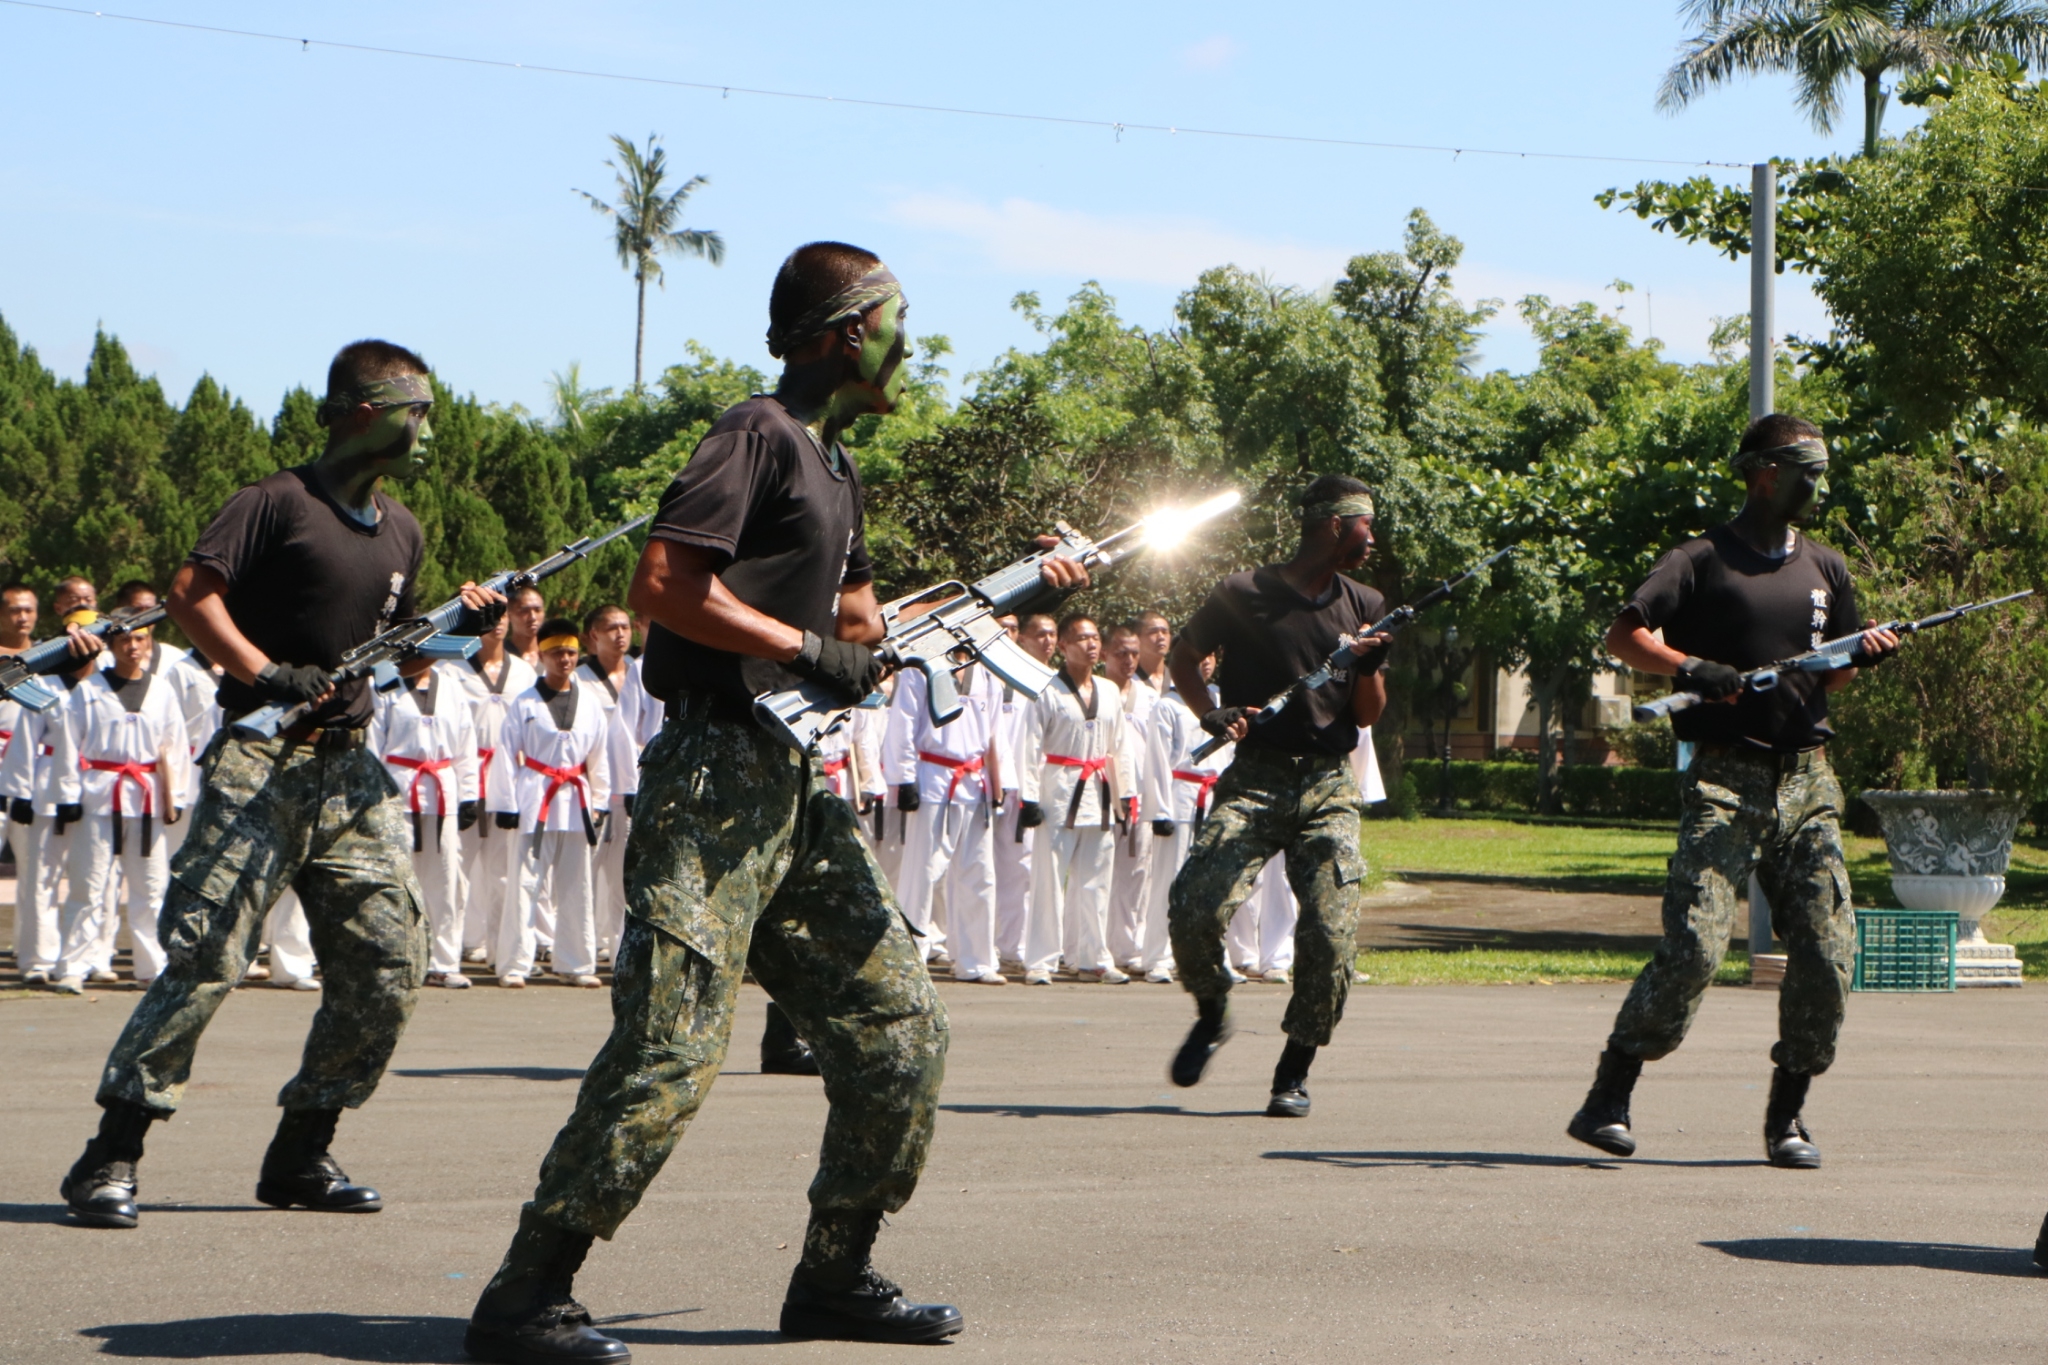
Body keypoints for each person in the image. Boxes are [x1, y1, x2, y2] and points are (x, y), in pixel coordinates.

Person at [464, 241, 1087, 1360]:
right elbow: (663, 586)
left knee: (902, 1031)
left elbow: (859, 636)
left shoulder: (839, 471)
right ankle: (523, 1293)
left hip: (796, 788)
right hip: (710, 777)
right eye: (899, 319)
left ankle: (833, 1277)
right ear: (849, 330)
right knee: (670, 1048)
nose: (912, 342)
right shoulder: (755, 435)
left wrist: (1011, 592)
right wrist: (802, 646)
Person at [55, 339, 504, 1230]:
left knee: (389, 959)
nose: (430, 429)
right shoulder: (274, 502)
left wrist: (462, 623)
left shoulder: (404, 527)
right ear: (367, 410)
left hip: (350, 771)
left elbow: (402, 639)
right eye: (419, 411)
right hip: (262, 761)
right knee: (209, 955)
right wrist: (264, 671)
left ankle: (302, 1149)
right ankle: (111, 1153)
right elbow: (190, 592)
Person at [1566, 415, 1899, 1169]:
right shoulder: (1700, 558)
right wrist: (1688, 667)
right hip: (1726, 777)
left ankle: (1787, 1116)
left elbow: (1831, 669)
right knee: (1695, 945)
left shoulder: (1828, 568)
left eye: (1822, 470)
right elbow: (1624, 637)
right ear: (1762, 473)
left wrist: (1866, 653)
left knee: (1828, 951)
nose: (1817, 483)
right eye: (1804, 470)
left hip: (1808, 779)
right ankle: (1608, 1095)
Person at [1164, 475, 1392, 1119]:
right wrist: (1210, 712)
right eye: (1363, 524)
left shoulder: (1365, 602)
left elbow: (1368, 714)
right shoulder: (1242, 592)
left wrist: (1369, 667)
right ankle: (1213, 1011)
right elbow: (1185, 658)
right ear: (1330, 525)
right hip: (1255, 776)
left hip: (1327, 785)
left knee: (1330, 934)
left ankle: (1294, 1069)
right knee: (1194, 907)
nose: (1371, 537)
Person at [47, 605, 192, 993]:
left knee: (150, 887)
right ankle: (74, 966)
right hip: (98, 794)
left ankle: (151, 967)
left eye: (141, 638)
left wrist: (173, 797)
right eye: (125, 638)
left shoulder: (161, 690)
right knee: (89, 885)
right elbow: (66, 744)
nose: (133, 646)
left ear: (150, 642)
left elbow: (174, 747)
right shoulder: (89, 689)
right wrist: (66, 796)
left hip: (145, 800)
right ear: (111, 642)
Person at [491, 618, 612, 990]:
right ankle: (514, 964)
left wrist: (600, 800)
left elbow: (598, 757)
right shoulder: (524, 703)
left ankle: (575, 963)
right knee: (525, 883)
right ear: (542, 655)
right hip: (535, 799)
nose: (566, 659)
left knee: (577, 885)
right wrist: (506, 803)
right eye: (558, 652)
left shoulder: (589, 703)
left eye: (572, 652)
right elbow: (506, 753)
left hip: (576, 800)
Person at [1019, 614, 1134, 986]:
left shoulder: (1109, 690)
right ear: (1064, 647)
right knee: (1049, 880)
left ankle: (1093, 958)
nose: (1091, 645)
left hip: (1099, 790)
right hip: (1058, 791)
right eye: (1082, 639)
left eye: (1096, 638)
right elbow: (1029, 747)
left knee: (1096, 880)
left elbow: (1121, 747)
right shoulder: (1045, 689)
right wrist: (1028, 797)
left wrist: (1126, 795)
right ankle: (1041, 961)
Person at [885, 655, 1005, 984]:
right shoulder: (920, 665)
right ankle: (911, 959)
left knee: (980, 874)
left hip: (975, 781)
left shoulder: (986, 669)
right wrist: (903, 778)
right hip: (932, 776)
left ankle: (976, 961)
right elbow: (903, 722)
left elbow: (996, 731)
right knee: (922, 873)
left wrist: (1000, 780)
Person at [370, 661, 481, 990]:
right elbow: (372, 745)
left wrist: (469, 795)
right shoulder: (385, 685)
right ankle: (394, 959)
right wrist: (372, 796)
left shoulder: (450, 685)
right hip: (397, 790)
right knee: (396, 880)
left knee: (446, 882)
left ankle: (444, 963)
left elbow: (466, 744)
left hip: (442, 791)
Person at [452, 609, 537, 968]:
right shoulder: (452, 671)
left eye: (503, 615)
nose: (498, 623)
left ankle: (503, 952)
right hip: (465, 780)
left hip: (509, 781)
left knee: (504, 873)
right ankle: (452, 951)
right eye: (489, 617)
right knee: (458, 870)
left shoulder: (524, 671)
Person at [1141, 650, 1230, 984]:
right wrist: (1160, 810)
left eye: (1210, 657)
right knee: (1170, 881)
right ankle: (1158, 957)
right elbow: (1158, 760)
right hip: (1180, 798)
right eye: (1198, 657)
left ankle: (1210, 956)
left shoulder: (1223, 700)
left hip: (1215, 797)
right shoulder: (1167, 705)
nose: (1205, 663)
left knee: (1215, 885)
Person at [1, 581, 61, 984]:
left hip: (30, 775)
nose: (22, 617)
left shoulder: (47, 659)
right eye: (13, 610)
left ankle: (36, 959)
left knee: (37, 871)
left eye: (29, 610)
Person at [577, 605, 637, 962]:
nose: (620, 634)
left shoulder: (640, 675)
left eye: (626, 627)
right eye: (611, 628)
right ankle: (582, 943)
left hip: (629, 787)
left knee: (622, 873)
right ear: (592, 636)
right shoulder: (578, 678)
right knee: (586, 868)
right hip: (590, 785)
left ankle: (616, 944)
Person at [1104, 620, 1162, 973]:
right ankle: (1084, 945)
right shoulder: (1094, 692)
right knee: (1095, 872)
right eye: (1122, 653)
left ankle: (1129, 947)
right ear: (1106, 654)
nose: (1129, 660)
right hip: (1098, 788)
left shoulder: (1151, 697)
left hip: (1138, 792)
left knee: (1138, 872)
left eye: (1134, 654)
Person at [507, 586, 546, 669]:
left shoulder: (552, 656)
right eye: (524, 611)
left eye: (537, 610)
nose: (532, 617)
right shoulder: (501, 656)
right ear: (509, 616)